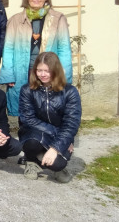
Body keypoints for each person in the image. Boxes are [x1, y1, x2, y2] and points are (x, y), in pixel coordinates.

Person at [0, 0, 72, 117]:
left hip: (47, 72)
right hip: (23, 71)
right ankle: (27, 136)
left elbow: (64, 48)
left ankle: (46, 135)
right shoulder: (15, 20)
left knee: (47, 107)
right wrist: (8, 73)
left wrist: (64, 76)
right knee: (24, 107)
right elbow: (8, 48)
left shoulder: (58, 19)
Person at [19, 52, 81, 183]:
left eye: (47, 71)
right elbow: (28, 119)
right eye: (39, 70)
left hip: (61, 135)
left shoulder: (70, 92)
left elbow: (71, 124)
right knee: (31, 144)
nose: (42, 74)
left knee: (57, 164)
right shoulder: (27, 90)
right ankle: (31, 162)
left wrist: (56, 148)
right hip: (34, 133)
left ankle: (51, 162)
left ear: (56, 70)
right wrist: (56, 133)